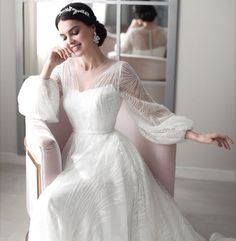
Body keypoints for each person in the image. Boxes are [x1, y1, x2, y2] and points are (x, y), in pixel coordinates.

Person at [17, 3, 235, 241]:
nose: (69, 40)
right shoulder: (63, 71)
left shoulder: (120, 71)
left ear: (92, 28)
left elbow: (151, 112)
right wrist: (49, 65)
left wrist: (198, 135)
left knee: (87, 200)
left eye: (75, 31)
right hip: (78, 154)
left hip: (112, 157)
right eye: (63, 35)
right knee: (50, 202)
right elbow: (37, 108)